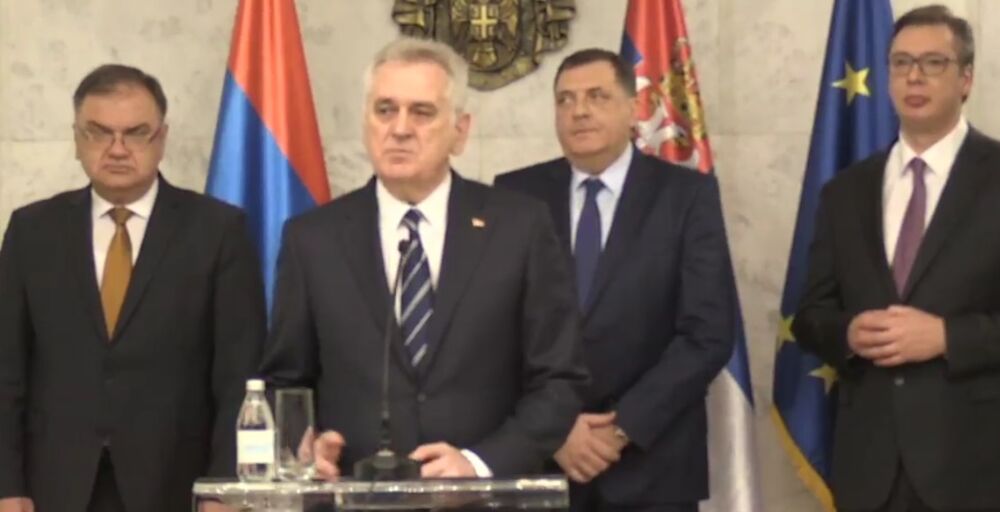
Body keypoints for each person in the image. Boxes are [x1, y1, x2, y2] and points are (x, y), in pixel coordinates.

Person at [258, 38, 587, 479]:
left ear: (460, 131)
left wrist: (480, 463)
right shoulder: (313, 239)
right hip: (357, 495)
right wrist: (303, 446)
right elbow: (285, 381)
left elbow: (559, 380)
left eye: (422, 112)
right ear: (366, 122)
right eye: (385, 110)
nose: (399, 128)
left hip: (486, 500)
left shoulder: (519, 227)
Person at [0, 64, 266, 512]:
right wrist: (7, 485)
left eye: (135, 133)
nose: (117, 149)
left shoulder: (218, 231)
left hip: (176, 485)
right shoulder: (32, 231)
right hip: (54, 488)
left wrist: (223, 488)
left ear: (161, 138)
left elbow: (239, 374)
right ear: (76, 139)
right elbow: (6, 370)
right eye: (99, 133)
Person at [495, 48, 735, 512]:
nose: (579, 111)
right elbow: (494, 330)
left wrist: (622, 427)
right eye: (565, 100)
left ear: (633, 108)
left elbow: (708, 334)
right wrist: (554, 428)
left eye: (597, 96)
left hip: (653, 464)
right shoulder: (514, 195)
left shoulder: (686, 195)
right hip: (543, 464)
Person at [793, 5, 1000, 511]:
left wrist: (947, 337)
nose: (914, 76)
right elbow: (811, 315)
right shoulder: (845, 191)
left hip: (975, 466)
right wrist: (847, 333)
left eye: (933, 62)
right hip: (869, 468)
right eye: (901, 62)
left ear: (966, 78)